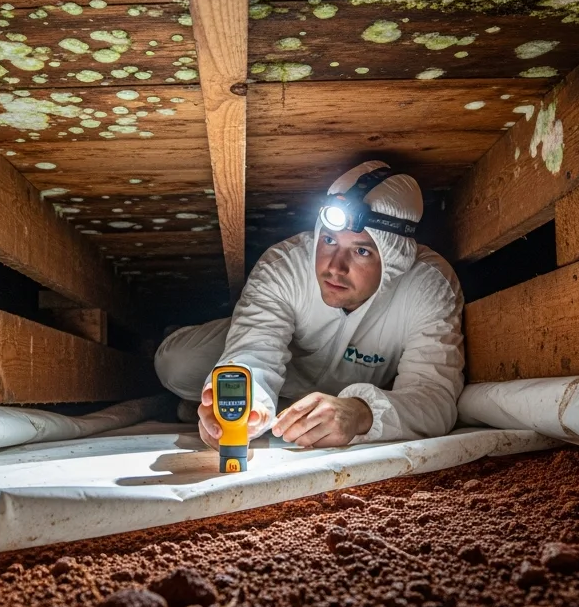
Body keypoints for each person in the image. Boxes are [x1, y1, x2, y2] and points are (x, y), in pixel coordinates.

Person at [154, 161, 465, 449]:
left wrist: (360, 412)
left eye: (361, 252)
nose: (335, 267)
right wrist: (249, 407)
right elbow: (253, 350)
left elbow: (435, 397)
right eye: (329, 241)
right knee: (178, 365)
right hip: (285, 364)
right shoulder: (284, 265)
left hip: (357, 385)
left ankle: (275, 408)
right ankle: (217, 380)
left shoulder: (429, 286)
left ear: (395, 260)